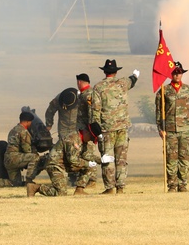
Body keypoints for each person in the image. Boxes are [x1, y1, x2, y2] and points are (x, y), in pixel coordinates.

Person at [91, 59, 140, 194]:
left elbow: (95, 111)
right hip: (122, 128)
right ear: (116, 71)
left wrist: (97, 131)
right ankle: (120, 187)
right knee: (121, 159)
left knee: (108, 159)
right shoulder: (123, 83)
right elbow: (133, 80)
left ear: (105, 71)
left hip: (106, 130)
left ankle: (110, 187)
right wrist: (135, 75)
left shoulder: (98, 87)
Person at [155, 61, 189, 192]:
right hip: (170, 130)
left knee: (185, 157)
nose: (177, 75)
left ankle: (183, 184)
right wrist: (160, 128)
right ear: (170, 74)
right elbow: (159, 111)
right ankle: (172, 185)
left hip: (185, 129)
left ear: (182, 74)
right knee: (171, 158)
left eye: (179, 73)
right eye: (174, 73)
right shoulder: (163, 91)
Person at [28, 123, 101, 197]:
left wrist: (100, 160)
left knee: (91, 167)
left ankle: (79, 190)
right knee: (61, 193)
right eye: (91, 138)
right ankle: (36, 188)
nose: (90, 140)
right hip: (55, 165)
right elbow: (72, 160)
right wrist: (87, 164)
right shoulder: (72, 139)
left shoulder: (82, 141)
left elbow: (86, 155)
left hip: (65, 165)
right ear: (87, 132)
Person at [0, 111, 42, 188]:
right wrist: (34, 147)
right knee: (35, 157)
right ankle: (29, 181)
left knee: (15, 183)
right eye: (30, 122)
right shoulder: (23, 132)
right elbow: (27, 150)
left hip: (8, 159)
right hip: (15, 158)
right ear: (27, 122)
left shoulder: (13, 130)